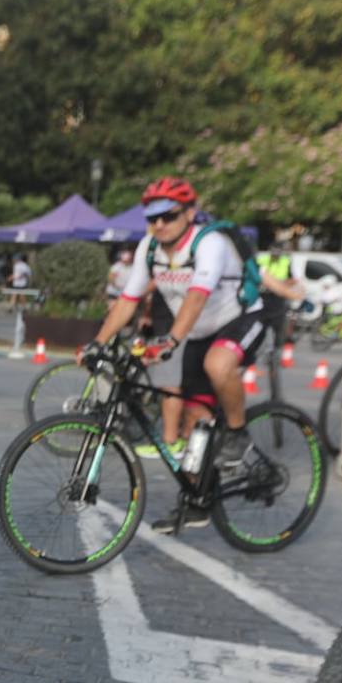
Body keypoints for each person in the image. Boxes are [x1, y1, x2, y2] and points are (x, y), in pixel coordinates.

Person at [85, 176, 266, 534]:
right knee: (196, 420)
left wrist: (169, 341)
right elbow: (128, 300)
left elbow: (197, 296)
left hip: (240, 319)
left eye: (169, 216)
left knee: (218, 364)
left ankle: (238, 433)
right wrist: (98, 342)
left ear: (190, 213)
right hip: (196, 331)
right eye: (152, 218)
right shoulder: (148, 248)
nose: (160, 224)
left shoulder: (208, 243)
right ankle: (197, 501)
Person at [254, 244, 303, 351]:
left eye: (277, 253)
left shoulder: (286, 262)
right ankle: (255, 347)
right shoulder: (262, 259)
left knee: (278, 324)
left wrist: (280, 284)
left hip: (278, 298)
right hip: (262, 296)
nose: (275, 255)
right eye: (273, 252)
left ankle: (276, 350)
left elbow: (293, 280)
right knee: (258, 325)